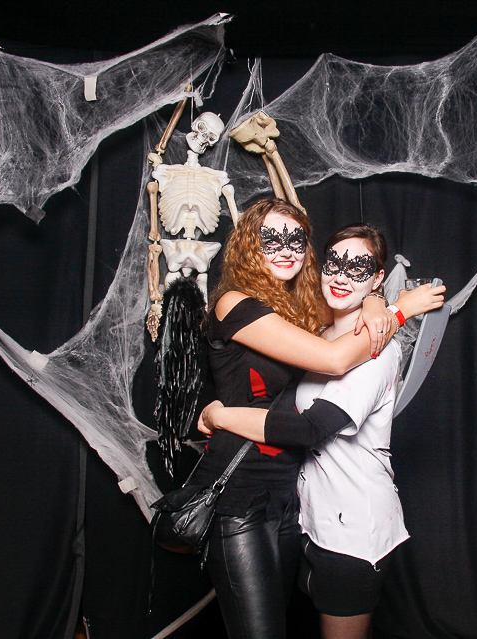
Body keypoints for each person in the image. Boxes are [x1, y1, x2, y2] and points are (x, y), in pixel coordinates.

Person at [188, 199, 443, 639]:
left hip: (290, 500)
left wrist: (376, 302)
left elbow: (347, 307)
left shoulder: (298, 309)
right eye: (271, 239)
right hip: (240, 492)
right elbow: (333, 358)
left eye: (296, 239)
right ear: (249, 245)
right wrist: (398, 310)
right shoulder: (234, 302)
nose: (286, 249)